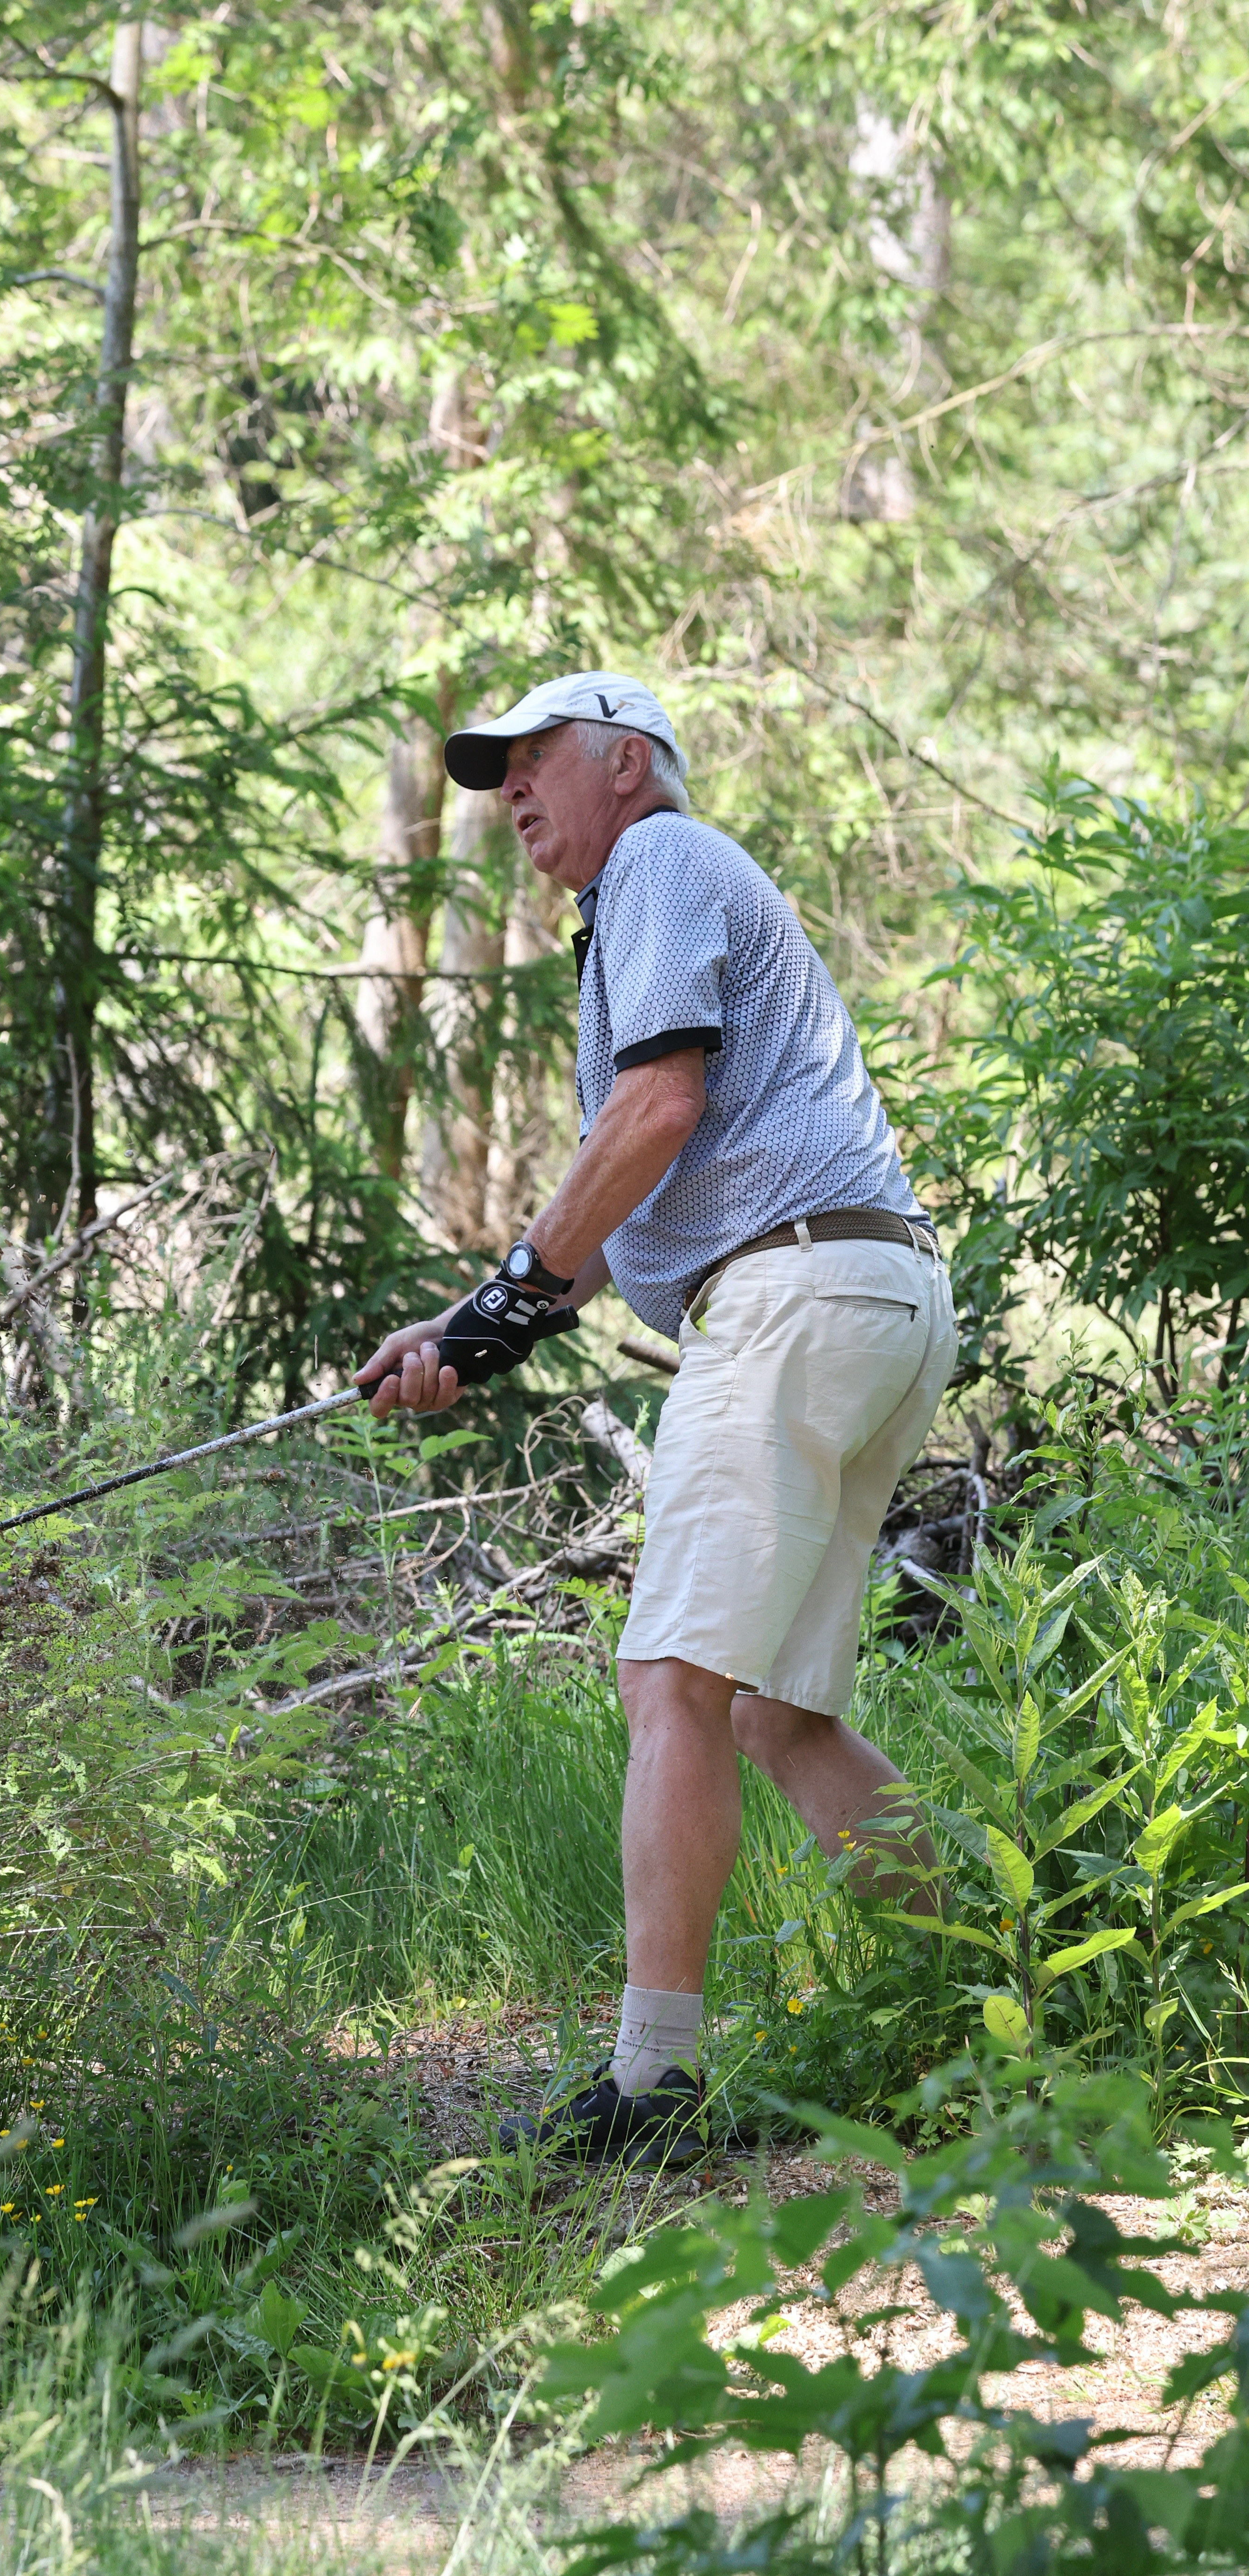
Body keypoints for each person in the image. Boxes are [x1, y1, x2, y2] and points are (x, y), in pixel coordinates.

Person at [354, 671, 957, 2167]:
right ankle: (1002, 1992)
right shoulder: (634, 910)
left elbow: (657, 1114)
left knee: (669, 1682)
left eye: (534, 761)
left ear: (630, 763)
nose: (510, 796)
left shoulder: (663, 860)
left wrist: (500, 1303)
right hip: (865, 1289)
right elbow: (626, 1199)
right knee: (775, 1711)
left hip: (800, 1294)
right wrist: (469, 1330)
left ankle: (651, 2090)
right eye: (493, 777)